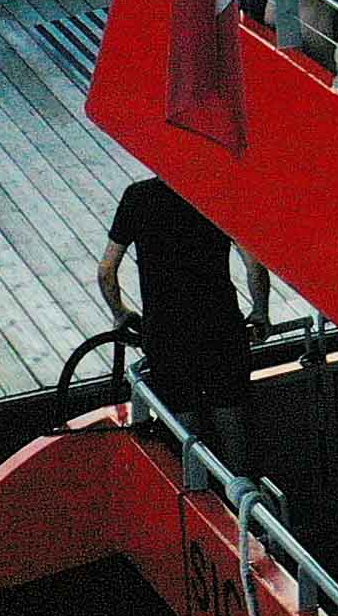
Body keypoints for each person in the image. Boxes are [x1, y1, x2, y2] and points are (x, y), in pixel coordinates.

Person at [99, 176, 255, 462]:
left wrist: (120, 313)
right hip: (221, 327)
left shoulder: (138, 197)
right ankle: (242, 493)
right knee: (231, 418)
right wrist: (261, 311)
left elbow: (106, 271)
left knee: (185, 430)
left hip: (166, 331)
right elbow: (254, 265)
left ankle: (199, 496)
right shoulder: (219, 190)